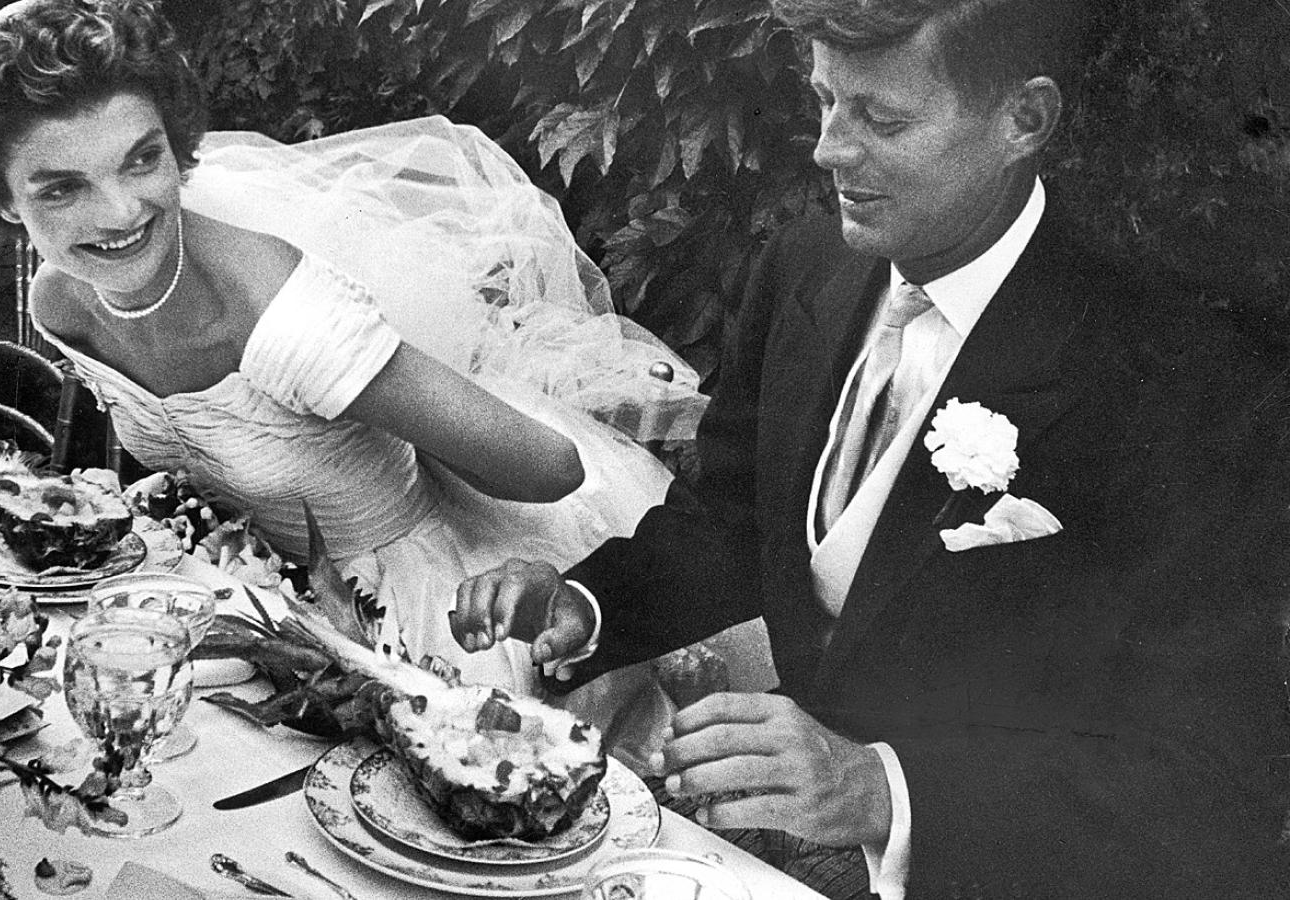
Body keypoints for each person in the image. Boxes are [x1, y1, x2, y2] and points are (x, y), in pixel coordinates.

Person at [452, 0, 1290, 896]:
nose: (829, 150)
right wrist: (590, 603)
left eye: (882, 120)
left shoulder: (1181, 384)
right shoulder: (804, 266)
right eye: (824, 101)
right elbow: (737, 520)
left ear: (1024, 119)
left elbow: (1208, 774)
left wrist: (883, 790)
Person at [0, 0, 706, 696]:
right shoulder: (63, 301)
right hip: (271, 611)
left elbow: (551, 467)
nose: (122, 211)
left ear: (178, 148)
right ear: (3, 199)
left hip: (428, 625)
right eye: (62, 188)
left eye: (142, 158)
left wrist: (388, 407)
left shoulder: (285, 318)